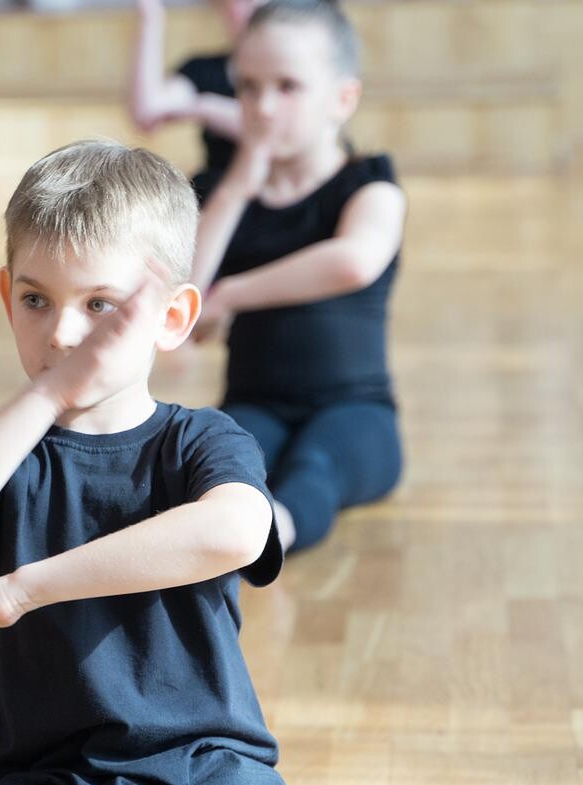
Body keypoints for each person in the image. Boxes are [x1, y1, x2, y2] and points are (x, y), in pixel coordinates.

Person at [0, 139, 295, 785]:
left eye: (100, 305)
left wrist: (22, 590)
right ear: (6, 298)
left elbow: (237, 531)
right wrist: (48, 395)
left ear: (172, 317)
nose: (63, 333)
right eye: (36, 299)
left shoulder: (203, 442)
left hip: (211, 776)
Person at [189, 0, 407, 553]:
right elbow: (185, 305)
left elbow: (353, 260)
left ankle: (269, 539)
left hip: (355, 411)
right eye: (248, 87)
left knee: (316, 465)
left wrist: (233, 293)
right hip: (255, 404)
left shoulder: (369, 186)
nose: (263, 108)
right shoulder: (218, 197)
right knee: (218, 466)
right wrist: (237, 187)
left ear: (342, 99)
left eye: (287, 87)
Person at [129, 0, 262, 198]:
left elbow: (273, 132)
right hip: (216, 193)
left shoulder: (301, 70)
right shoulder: (204, 69)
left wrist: (205, 107)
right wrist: (151, 18)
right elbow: (147, 112)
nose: (254, 8)